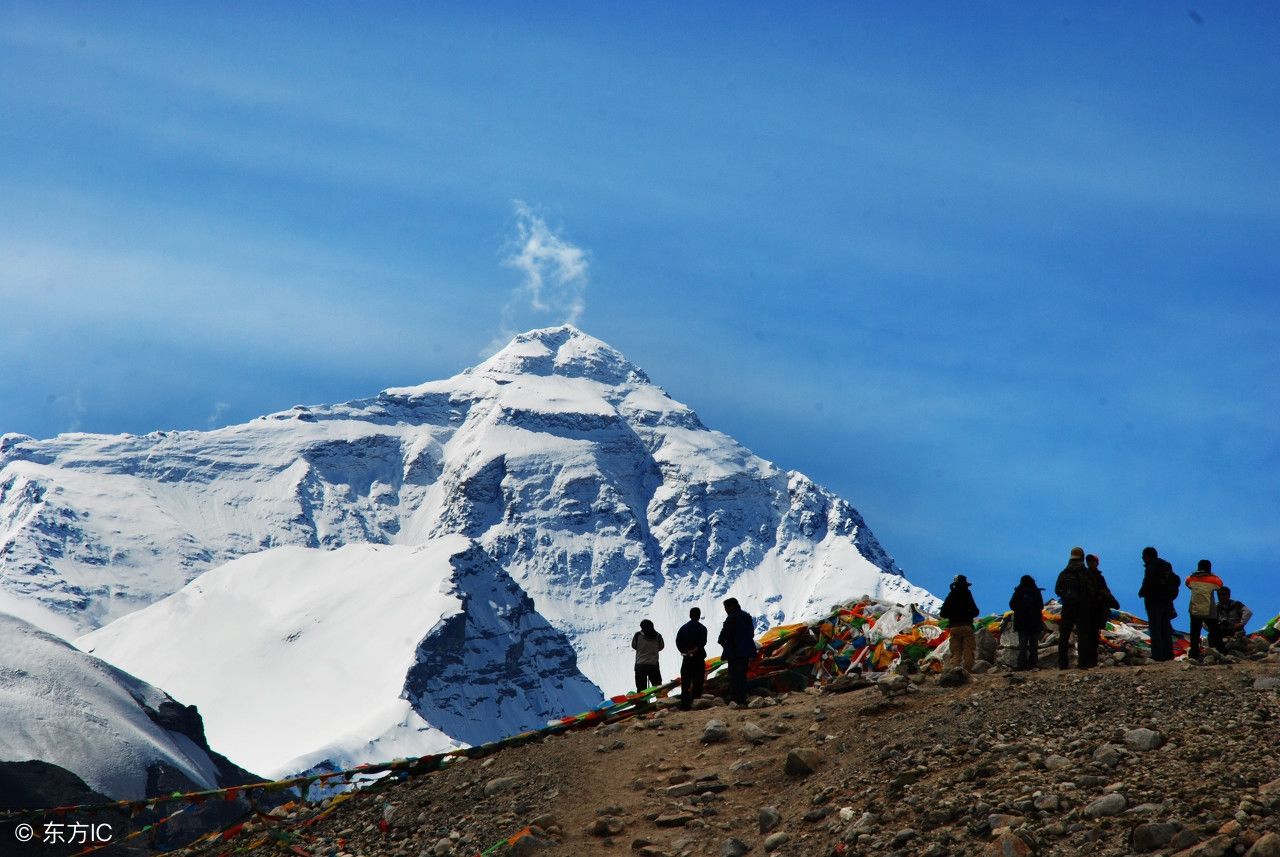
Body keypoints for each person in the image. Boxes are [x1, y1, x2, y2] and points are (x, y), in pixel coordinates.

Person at [1055, 547, 1094, 669]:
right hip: (1082, 608)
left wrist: (1066, 597)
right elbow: (1092, 590)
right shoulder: (1085, 572)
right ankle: (1082, 663)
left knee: (1064, 636)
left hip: (1067, 608)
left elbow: (1057, 589)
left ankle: (1062, 664)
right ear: (1082, 557)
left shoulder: (1064, 572)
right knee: (1083, 635)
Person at [1137, 546, 1179, 662]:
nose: (1142, 559)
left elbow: (1148, 583)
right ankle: (1168, 655)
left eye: (1143, 556)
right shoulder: (1166, 566)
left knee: (1155, 629)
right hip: (1167, 603)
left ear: (1147, 556)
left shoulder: (1152, 567)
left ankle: (1157, 656)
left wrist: (1142, 592)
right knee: (1165, 629)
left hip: (1154, 603)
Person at [1082, 554, 1120, 668]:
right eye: (1088, 561)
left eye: (1092, 561)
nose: (1089, 563)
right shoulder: (1085, 575)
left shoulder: (1098, 577)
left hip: (1096, 610)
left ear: (1096, 563)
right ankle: (1087, 660)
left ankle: (1091, 660)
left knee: (1093, 635)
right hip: (1088, 610)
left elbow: (1105, 592)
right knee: (1089, 635)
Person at [718, 598, 757, 706]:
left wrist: (726, 646)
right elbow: (751, 634)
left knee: (734, 677)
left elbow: (722, 637)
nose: (725, 610)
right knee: (742, 676)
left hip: (734, 653)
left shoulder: (731, 618)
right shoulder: (746, 616)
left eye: (726, 607)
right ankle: (743, 699)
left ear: (731, 607)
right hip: (746, 652)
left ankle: (735, 700)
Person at [1185, 559, 1224, 660]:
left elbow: (1187, 584)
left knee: (1194, 633)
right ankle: (1220, 651)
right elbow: (1220, 585)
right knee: (1214, 631)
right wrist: (1212, 575)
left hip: (1195, 609)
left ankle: (1194, 654)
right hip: (1209, 610)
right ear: (1209, 568)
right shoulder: (1214, 579)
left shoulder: (1191, 578)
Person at [939, 574, 980, 671]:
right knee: (968, 650)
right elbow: (976, 611)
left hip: (954, 627)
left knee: (956, 651)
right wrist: (968, 614)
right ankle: (968, 672)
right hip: (967, 626)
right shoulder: (968, 594)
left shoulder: (951, 595)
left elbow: (943, 613)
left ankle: (955, 672)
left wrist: (953, 615)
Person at [1008, 575, 1045, 670]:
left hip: (1022, 623)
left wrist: (1021, 609)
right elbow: (1041, 606)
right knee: (1034, 646)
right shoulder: (1036, 591)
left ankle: (1021, 665)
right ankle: (1033, 664)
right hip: (1035, 623)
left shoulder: (1018, 592)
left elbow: (1012, 605)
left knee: (1023, 646)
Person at [675, 607, 708, 710]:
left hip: (687, 659)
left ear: (690, 615)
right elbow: (703, 643)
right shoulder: (702, 628)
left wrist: (685, 651)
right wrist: (695, 650)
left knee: (685, 682)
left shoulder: (683, 628)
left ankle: (685, 705)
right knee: (698, 681)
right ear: (699, 615)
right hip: (698, 659)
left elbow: (678, 641)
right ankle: (696, 702)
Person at [1214, 586, 1253, 654]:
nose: (1221, 597)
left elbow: (1248, 612)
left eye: (1223, 594)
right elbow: (1206, 620)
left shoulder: (1236, 604)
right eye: (1219, 595)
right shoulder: (1216, 607)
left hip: (1235, 631)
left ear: (1228, 595)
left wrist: (1241, 623)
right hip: (1221, 632)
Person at [631, 619, 665, 692]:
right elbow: (661, 647)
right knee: (657, 686)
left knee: (641, 689)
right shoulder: (658, 636)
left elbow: (634, 646)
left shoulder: (638, 635)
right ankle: (662, 701)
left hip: (640, 666)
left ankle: (642, 703)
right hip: (653, 665)